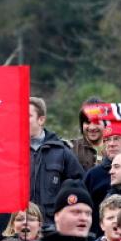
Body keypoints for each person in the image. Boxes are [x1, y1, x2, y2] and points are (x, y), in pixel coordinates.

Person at [28, 96, 85, 225]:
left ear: (41, 120)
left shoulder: (61, 151)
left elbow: (79, 188)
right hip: (20, 227)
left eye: (28, 116)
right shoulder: (12, 152)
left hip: (52, 227)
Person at [74, 97, 106, 170]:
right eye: (87, 122)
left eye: (96, 122)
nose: (92, 128)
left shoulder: (114, 148)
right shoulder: (70, 148)